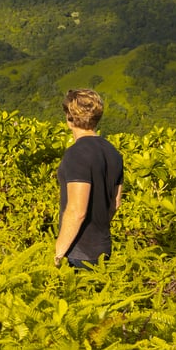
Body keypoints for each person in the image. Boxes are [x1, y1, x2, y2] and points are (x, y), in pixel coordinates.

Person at [54, 88, 123, 269]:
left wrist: (58, 251)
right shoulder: (112, 152)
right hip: (103, 247)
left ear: (69, 118)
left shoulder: (76, 154)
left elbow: (77, 211)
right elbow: (115, 203)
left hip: (79, 252)